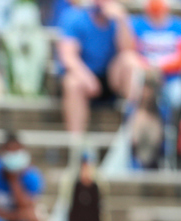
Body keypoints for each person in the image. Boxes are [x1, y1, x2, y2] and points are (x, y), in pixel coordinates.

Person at [57, 0, 143, 136]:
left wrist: (122, 20)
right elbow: (68, 56)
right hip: (85, 80)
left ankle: (133, 136)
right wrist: (87, 78)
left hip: (111, 79)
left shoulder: (120, 20)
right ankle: (77, 148)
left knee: (131, 61)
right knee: (72, 83)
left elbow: (128, 50)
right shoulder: (74, 17)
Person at [0, 132, 43, 221]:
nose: (14, 155)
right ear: (1, 153)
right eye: (10, 151)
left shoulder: (32, 176)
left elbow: (27, 211)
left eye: (17, 151)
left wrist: (14, 180)